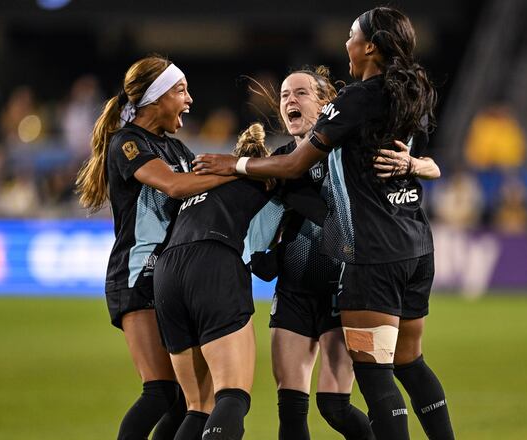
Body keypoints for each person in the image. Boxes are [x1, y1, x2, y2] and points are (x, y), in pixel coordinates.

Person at [194, 7, 453, 440]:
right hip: (416, 247)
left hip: (372, 257)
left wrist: (233, 162)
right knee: (410, 362)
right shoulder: (415, 93)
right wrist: (419, 163)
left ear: (370, 46)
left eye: (352, 36)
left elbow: (295, 165)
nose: (345, 44)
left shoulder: (356, 100)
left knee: (375, 378)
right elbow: (417, 156)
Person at [75, 55, 234, 440]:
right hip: (136, 275)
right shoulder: (128, 143)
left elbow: (202, 192)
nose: (190, 99)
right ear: (155, 98)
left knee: (182, 400)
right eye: (181, 91)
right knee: (160, 390)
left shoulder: (177, 149)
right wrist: (236, 171)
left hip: (169, 280)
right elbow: (177, 187)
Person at [155, 124, 314, 440]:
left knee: (198, 405)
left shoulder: (203, 183)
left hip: (167, 272)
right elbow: (260, 259)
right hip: (214, 262)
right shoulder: (263, 185)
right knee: (232, 394)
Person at [248, 67, 374, 440]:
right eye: (285, 94)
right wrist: (260, 249)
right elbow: (262, 220)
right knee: (290, 410)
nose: (289, 100)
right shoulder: (278, 161)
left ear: (324, 104)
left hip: (343, 292)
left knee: (334, 407)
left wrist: (416, 164)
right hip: (294, 293)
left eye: (300, 93)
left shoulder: (346, 154)